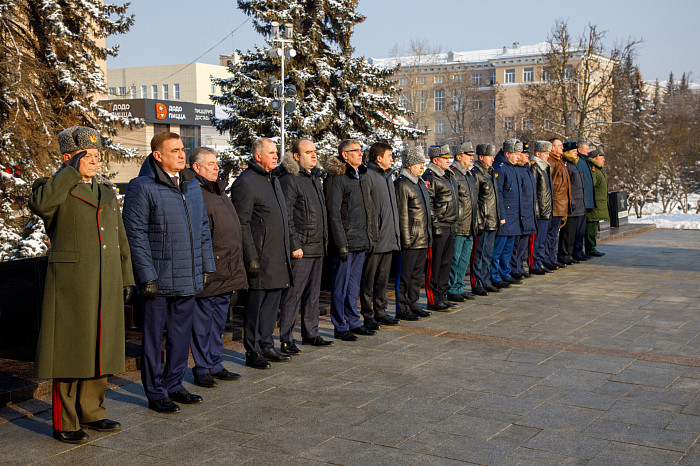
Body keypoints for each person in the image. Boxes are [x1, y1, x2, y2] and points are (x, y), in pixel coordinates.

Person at [29, 126, 135, 444]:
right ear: (69, 158)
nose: (93, 160)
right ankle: (66, 420)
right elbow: (42, 206)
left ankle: (93, 411)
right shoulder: (51, 187)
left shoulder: (105, 192)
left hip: (105, 281)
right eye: (86, 156)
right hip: (71, 286)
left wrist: (127, 276)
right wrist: (68, 172)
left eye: (95, 155)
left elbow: (120, 240)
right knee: (70, 350)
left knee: (101, 348)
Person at [122, 132, 215, 414]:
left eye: (182, 149)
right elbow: (134, 234)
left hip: (187, 275)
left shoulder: (191, 184)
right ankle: (155, 391)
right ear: (157, 156)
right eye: (174, 150)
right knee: (153, 338)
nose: (181, 154)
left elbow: (202, 229)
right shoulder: (142, 186)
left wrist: (207, 265)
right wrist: (145, 275)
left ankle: (175, 384)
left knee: (180, 336)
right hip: (158, 279)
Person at [231, 138, 293, 368]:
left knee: (271, 305)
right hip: (260, 256)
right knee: (255, 307)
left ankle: (267, 344)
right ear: (258, 156)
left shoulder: (273, 179)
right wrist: (251, 256)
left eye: (276, 152)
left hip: (277, 255)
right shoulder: (246, 182)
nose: (276, 156)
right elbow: (242, 223)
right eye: (271, 153)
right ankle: (252, 350)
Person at [188, 147, 248, 388]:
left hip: (229, 267)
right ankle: (202, 367)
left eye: (216, 163)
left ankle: (215, 362)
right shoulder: (196, 192)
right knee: (202, 321)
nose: (216, 167)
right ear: (196, 167)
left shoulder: (220, 192)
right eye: (211, 163)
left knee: (218, 321)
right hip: (211, 268)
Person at [278, 139, 333, 353]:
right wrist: (294, 243)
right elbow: (287, 216)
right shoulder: (290, 179)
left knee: (313, 294)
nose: (314, 155)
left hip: (317, 245)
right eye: (308, 152)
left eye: (315, 151)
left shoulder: (314, 178)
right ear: (296, 156)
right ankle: (286, 338)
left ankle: (311, 333)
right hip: (301, 248)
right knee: (293, 295)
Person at [324, 139, 376, 341]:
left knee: (353, 285)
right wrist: (341, 243)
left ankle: (354, 321)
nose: (360, 153)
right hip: (344, 242)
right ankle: (340, 324)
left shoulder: (360, 175)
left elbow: (366, 210)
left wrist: (369, 237)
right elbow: (334, 214)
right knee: (340, 286)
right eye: (355, 151)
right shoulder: (337, 177)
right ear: (344, 155)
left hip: (360, 239)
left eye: (361, 150)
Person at [361, 142, 401, 328]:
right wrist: (372, 234)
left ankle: (381, 311)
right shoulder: (368, 176)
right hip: (375, 239)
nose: (392, 159)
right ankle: (368, 314)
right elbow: (367, 209)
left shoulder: (388, 177)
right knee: (369, 280)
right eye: (389, 155)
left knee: (383, 280)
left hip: (389, 237)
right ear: (379, 158)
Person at [394, 147, 432, 321]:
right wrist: (406, 239)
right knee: (405, 275)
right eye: (419, 163)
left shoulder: (418, 182)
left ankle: (413, 303)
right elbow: (402, 215)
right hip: (410, 239)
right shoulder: (402, 184)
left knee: (417, 274)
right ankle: (402, 307)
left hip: (422, 236)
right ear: (409, 165)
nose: (422, 167)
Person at [422, 144, 459, 311]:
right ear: (435, 160)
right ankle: (433, 298)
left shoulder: (447, 175)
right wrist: (435, 226)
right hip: (439, 227)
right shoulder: (430, 177)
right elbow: (428, 204)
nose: (448, 161)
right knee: (435, 265)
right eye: (444, 158)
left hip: (450, 225)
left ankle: (442, 295)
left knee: (446, 264)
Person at [447, 142, 479, 302]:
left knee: (464, 259)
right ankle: (452, 288)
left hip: (470, 223)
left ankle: (459, 285)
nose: (471, 158)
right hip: (459, 224)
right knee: (456, 258)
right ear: (459, 157)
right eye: (468, 155)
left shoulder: (468, 175)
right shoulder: (453, 174)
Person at [470, 143, 501, 296]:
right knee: (479, 254)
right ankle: (477, 283)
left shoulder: (490, 172)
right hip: (482, 220)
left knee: (488, 253)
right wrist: (478, 221)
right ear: (481, 157)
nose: (492, 159)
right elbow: (475, 201)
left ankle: (486, 280)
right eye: (489, 156)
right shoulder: (476, 174)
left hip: (492, 220)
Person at [492, 139, 523, 289]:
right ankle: (495, 276)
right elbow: (498, 193)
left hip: (514, 216)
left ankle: (505, 273)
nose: (519, 157)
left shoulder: (513, 167)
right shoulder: (501, 167)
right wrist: (501, 215)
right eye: (516, 154)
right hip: (505, 216)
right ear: (508, 153)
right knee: (498, 249)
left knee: (508, 249)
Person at [510, 142, 537, 279]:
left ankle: (519, 266)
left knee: (523, 242)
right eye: (524, 153)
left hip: (528, 211)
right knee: (517, 242)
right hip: (520, 212)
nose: (527, 155)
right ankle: (514, 268)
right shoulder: (517, 170)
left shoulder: (527, 169)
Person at [529, 140, 554, 275]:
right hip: (539, 211)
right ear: (538, 153)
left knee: (542, 239)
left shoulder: (545, 167)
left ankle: (539, 261)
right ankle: (534, 263)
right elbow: (534, 191)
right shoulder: (535, 167)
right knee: (537, 240)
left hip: (546, 209)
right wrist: (537, 211)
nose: (547, 156)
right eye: (545, 153)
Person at [558, 141, 586, 265]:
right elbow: (566, 186)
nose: (576, 154)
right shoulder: (567, 166)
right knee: (567, 233)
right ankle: (564, 254)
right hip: (571, 204)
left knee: (573, 233)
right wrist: (571, 201)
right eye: (574, 152)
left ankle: (570, 253)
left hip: (578, 205)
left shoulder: (573, 165)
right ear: (568, 152)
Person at [546, 138, 570, 271]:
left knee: (553, 234)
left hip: (561, 203)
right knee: (550, 234)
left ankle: (551, 258)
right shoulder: (551, 161)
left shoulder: (559, 160)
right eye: (559, 146)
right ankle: (548, 259)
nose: (562, 148)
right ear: (552, 148)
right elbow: (551, 185)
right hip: (555, 203)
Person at [573, 141, 595, 261]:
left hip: (585, 200)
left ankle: (580, 250)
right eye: (586, 149)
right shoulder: (579, 162)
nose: (588, 151)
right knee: (577, 230)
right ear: (580, 150)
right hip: (580, 200)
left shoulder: (584, 162)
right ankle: (576, 251)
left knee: (581, 229)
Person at [585, 148, 609, 257]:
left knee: (593, 229)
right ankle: (590, 249)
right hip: (594, 207)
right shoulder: (593, 170)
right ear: (595, 158)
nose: (604, 160)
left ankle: (592, 248)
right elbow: (590, 187)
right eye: (601, 157)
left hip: (597, 206)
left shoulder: (598, 170)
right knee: (590, 230)